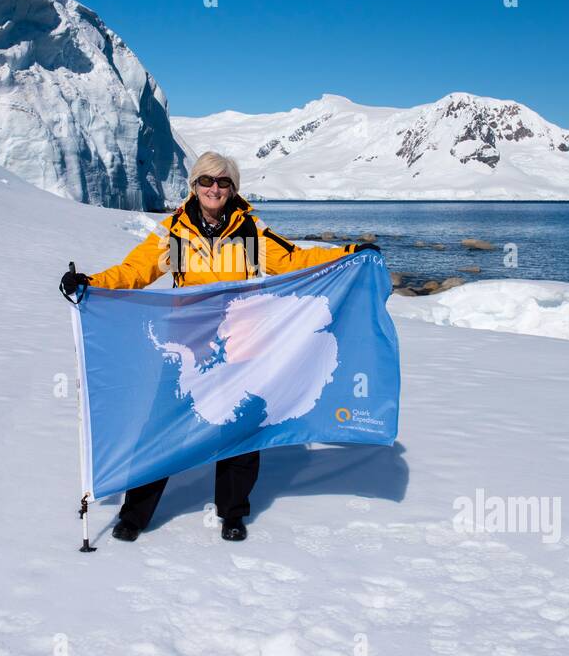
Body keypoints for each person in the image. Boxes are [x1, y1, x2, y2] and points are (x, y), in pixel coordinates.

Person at [59, 151, 378, 543]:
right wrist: (93, 283)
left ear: (233, 189)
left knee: (240, 428)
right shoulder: (175, 232)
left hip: (240, 344)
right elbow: (135, 270)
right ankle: (135, 514)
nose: (215, 189)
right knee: (161, 426)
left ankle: (232, 513)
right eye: (207, 181)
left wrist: (347, 254)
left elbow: (294, 260)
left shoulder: (250, 231)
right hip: (186, 345)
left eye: (223, 182)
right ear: (194, 186)